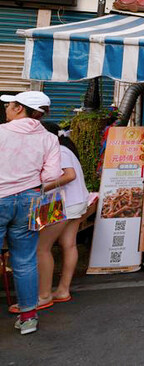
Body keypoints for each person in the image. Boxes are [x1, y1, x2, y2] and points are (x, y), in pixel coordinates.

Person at [0, 91, 62, 335]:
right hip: (31, 200)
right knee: (25, 260)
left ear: (19, 108)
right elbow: (51, 176)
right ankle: (28, 318)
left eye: (10, 104)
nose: (6, 108)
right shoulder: (49, 139)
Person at [33, 124, 88, 308]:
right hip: (76, 202)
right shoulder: (66, 149)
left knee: (42, 248)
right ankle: (62, 290)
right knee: (68, 244)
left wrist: (40, 187)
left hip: (64, 204)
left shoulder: (60, 150)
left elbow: (69, 175)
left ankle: (44, 295)